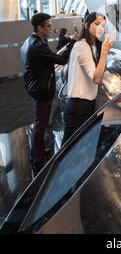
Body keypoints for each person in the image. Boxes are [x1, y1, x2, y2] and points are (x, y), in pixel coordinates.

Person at [20, 13, 79, 174]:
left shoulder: (29, 42)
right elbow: (60, 60)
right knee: (40, 124)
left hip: (35, 88)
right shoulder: (38, 45)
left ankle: (37, 154)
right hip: (41, 90)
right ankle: (38, 159)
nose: (50, 29)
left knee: (40, 123)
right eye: (48, 26)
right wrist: (73, 41)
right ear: (39, 28)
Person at [61, 12, 114, 145]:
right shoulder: (82, 46)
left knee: (76, 149)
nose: (100, 28)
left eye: (103, 25)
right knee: (68, 152)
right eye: (97, 24)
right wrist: (105, 52)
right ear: (86, 25)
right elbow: (96, 78)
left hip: (83, 106)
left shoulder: (90, 46)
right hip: (78, 107)